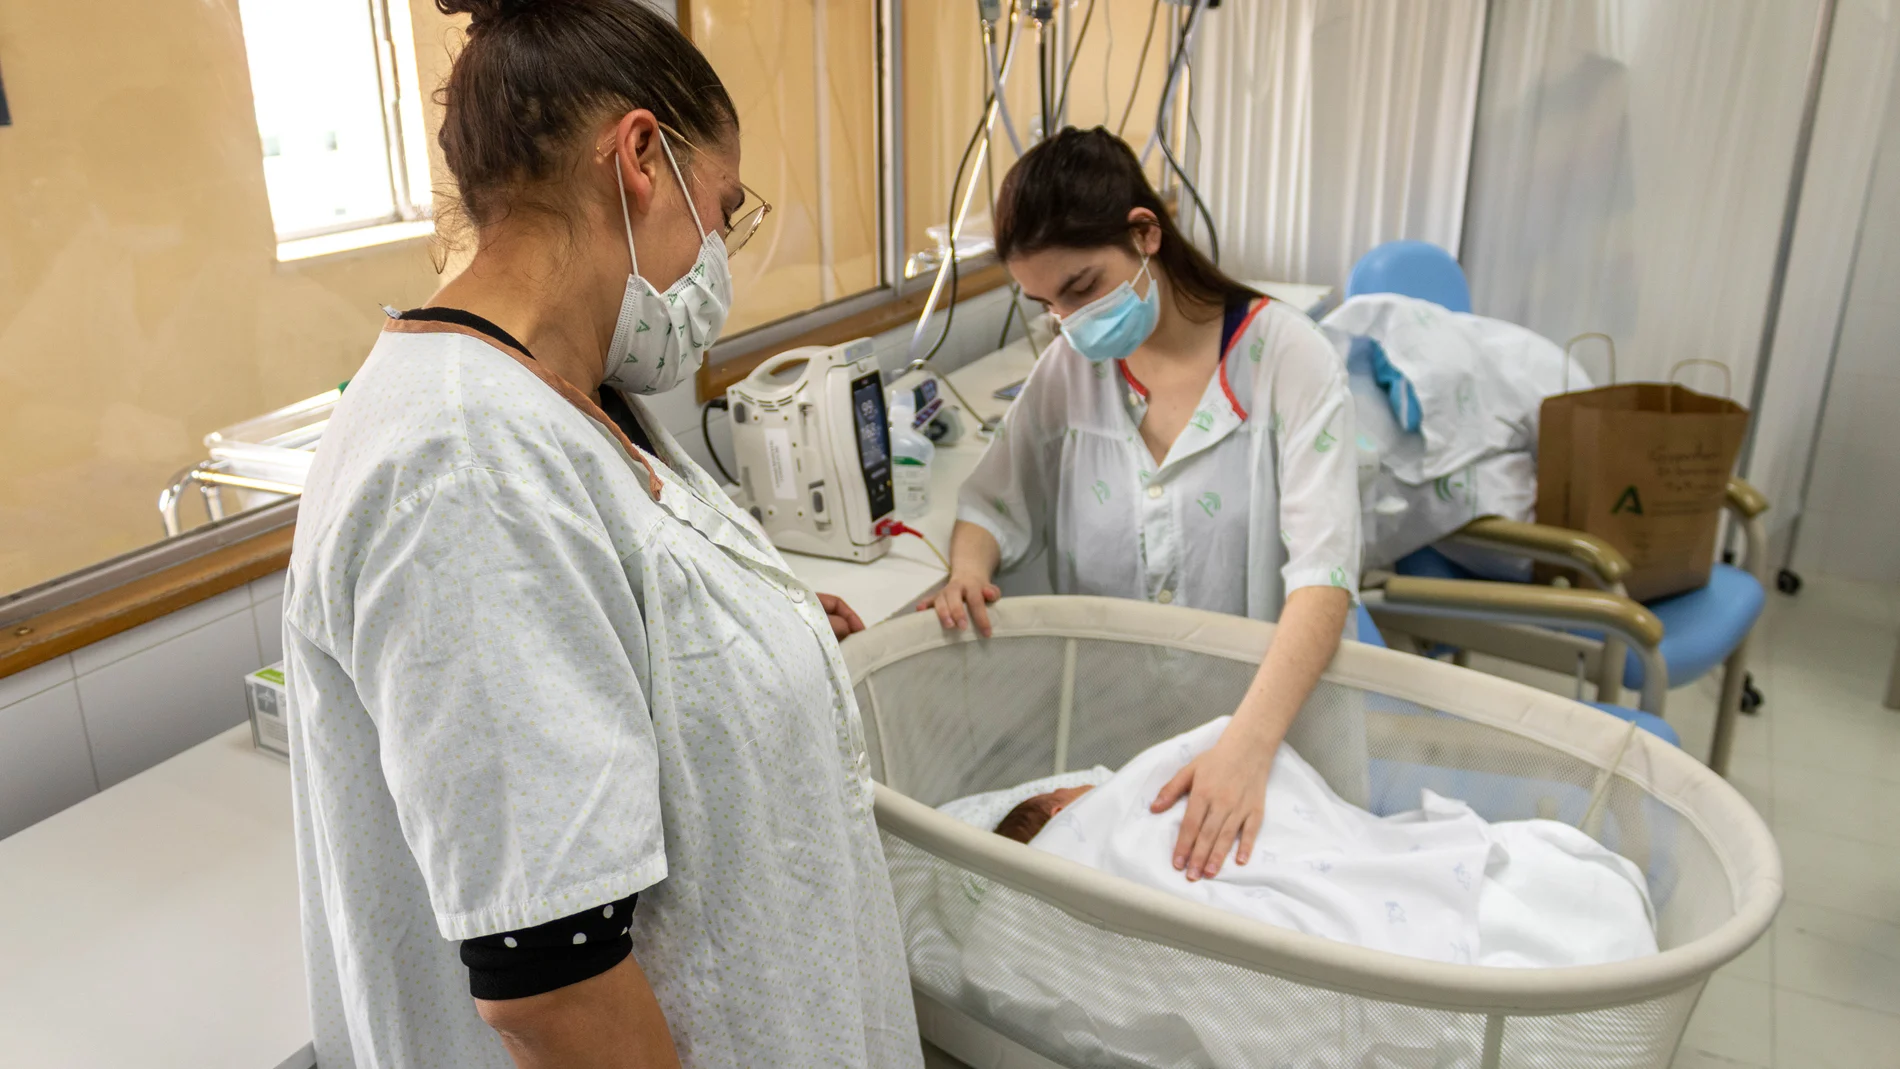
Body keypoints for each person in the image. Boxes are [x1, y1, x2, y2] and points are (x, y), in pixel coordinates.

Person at [281, 2, 919, 1066]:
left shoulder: (566, 393)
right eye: (721, 211)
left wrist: (766, 641)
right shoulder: (461, 462)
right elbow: (554, 988)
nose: (717, 254)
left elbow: (622, 640)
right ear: (638, 157)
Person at [926, 126, 1362, 887]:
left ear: (1145, 232)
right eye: (1045, 304)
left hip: (1269, 743)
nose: (1068, 321)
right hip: (1122, 755)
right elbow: (991, 501)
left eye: (1082, 287)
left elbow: (1323, 578)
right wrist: (968, 567)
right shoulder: (1074, 368)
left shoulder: (1290, 360)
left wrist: (1245, 749)